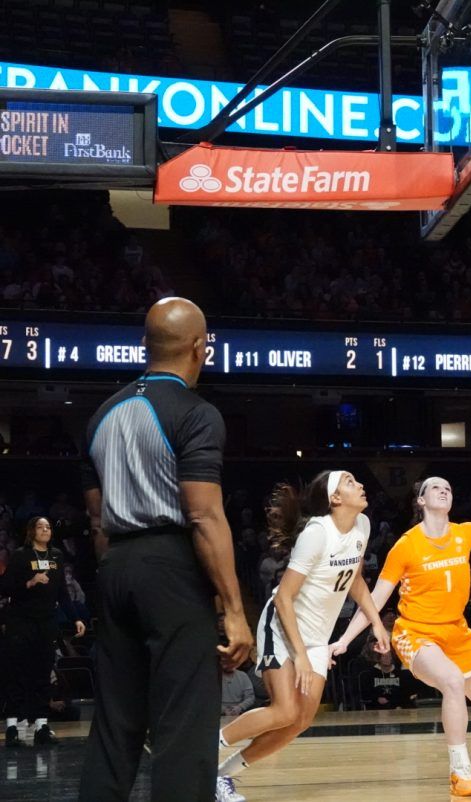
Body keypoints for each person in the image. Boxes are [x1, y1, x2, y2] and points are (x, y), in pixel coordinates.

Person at [78, 297, 253, 802]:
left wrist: (119, 576)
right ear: (200, 348)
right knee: (183, 726)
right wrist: (235, 610)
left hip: (114, 567)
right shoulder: (196, 414)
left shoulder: (101, 415)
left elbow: (96, 520)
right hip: (170, 568)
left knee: (115, 724)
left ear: (145, 346)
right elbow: (203, 514)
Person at [332, 477, 471, 796]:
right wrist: (345, 638)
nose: (444, 490)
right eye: (435, 487)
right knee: (452, 681)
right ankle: (459, 770)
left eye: (449, 488)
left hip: (456, 632)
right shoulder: (406, 545)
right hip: (415, 632)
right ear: (421, 501)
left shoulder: (463, 533)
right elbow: (377, 597)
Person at [214, 471, 388, 802]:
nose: (361, 485)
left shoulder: (362, 526)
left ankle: (221, 776)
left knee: (300, 720)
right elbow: (283, 599)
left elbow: (354, 579)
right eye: (351, 482)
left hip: (315, 637)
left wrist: (376, 622)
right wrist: (302, 656)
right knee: (284, 711)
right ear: (335, 498)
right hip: (281, 626)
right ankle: (203, 752)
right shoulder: (317, 534)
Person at [4, 517, 86, 747]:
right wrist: (29, 583)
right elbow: (5, 586)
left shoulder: (57, 556)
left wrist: (76, 617)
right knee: (18, 673)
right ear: (31, 532)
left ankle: (41, 725)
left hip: (46, 622)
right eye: (40, 527)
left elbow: (62, 592)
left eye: (48, 527)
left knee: (42, 672)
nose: (45, 530)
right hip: (21, 622)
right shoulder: (21, 555)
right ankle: (13, 726)